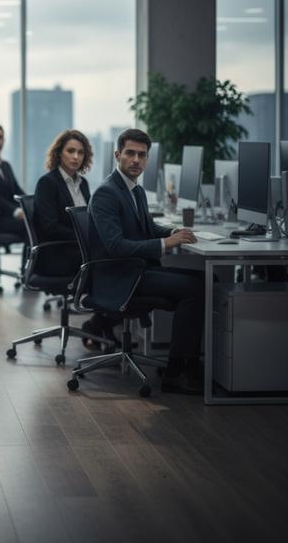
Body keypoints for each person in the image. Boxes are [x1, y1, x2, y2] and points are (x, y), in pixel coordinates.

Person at [88, 128, 204, 395]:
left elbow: (146, 226)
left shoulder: (133, 189)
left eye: (142, 155)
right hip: (120, 277)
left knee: (209, 280)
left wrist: (172, 233)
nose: (136, 160)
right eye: (130, 153)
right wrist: (166, 245)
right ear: (118, 155)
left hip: (135, 270)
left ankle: (190, 362)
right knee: (196, 288)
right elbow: (116, 246)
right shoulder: (107, 193)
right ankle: (177, 371)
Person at [34, 129, 113, 348]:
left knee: (117, 262)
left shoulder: (83, 184)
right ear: (59, 154)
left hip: (78, 251)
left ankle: (99, 324)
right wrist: (85, 238)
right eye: (70, 151)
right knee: (113, 266)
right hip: (56, 255)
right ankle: (101, 325)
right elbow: (49, 228)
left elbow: (88, 220)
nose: (76, 157)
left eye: (80, 152)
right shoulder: (48, 183)